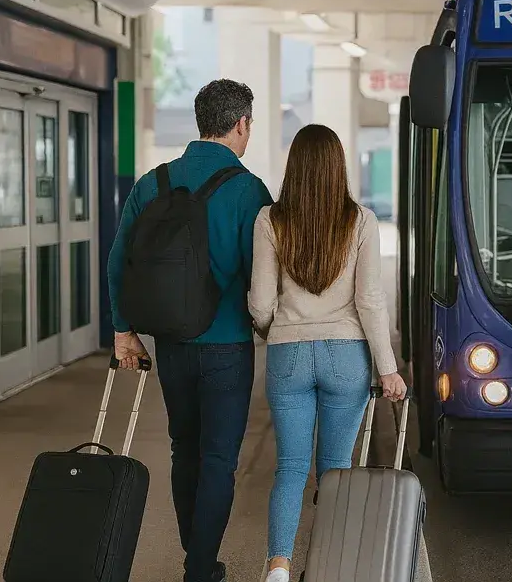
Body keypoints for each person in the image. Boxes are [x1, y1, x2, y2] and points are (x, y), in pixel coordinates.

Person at [107, 79, 274, 582]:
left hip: (171, 345)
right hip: (227, 346)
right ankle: (200, 566)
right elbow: (261, 274)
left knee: (186, 450)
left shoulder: (151, 183)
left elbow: (120, 263)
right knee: (220, 458)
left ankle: (196, 558)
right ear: (242, 124)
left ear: (201, 122)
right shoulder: (248, 189)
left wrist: (123, 332)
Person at [248, 123, 407, 582]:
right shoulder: (360, 221)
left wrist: (267, 328)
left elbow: (260, 302)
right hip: (346, 357)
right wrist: (388, 369)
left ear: (293, 166)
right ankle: (328, 567)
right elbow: (370, 300)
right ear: (338, 166)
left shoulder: (269, 220)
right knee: (335, 472)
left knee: (291, 468)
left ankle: (278, 567)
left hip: (288, 355)